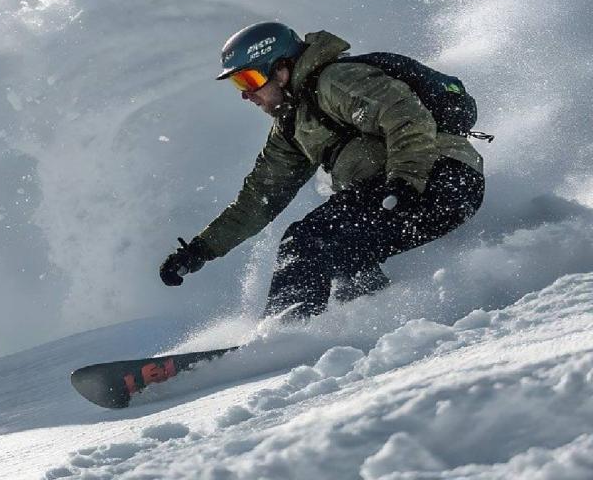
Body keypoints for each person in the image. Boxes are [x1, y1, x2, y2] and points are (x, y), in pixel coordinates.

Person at [159, 22, 485, 319]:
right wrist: (200, 249)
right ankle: (368, 323)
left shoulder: (335, 81)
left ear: (282, 68)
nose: (247, 94)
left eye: (250, 78)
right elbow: (259, 198)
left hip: (439, 179)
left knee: (307, 240)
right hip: (401, 192)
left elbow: (406, 116)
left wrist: (404, 182)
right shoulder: (292, 127)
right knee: (344, 261)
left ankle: (287, 331)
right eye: (237, 83)